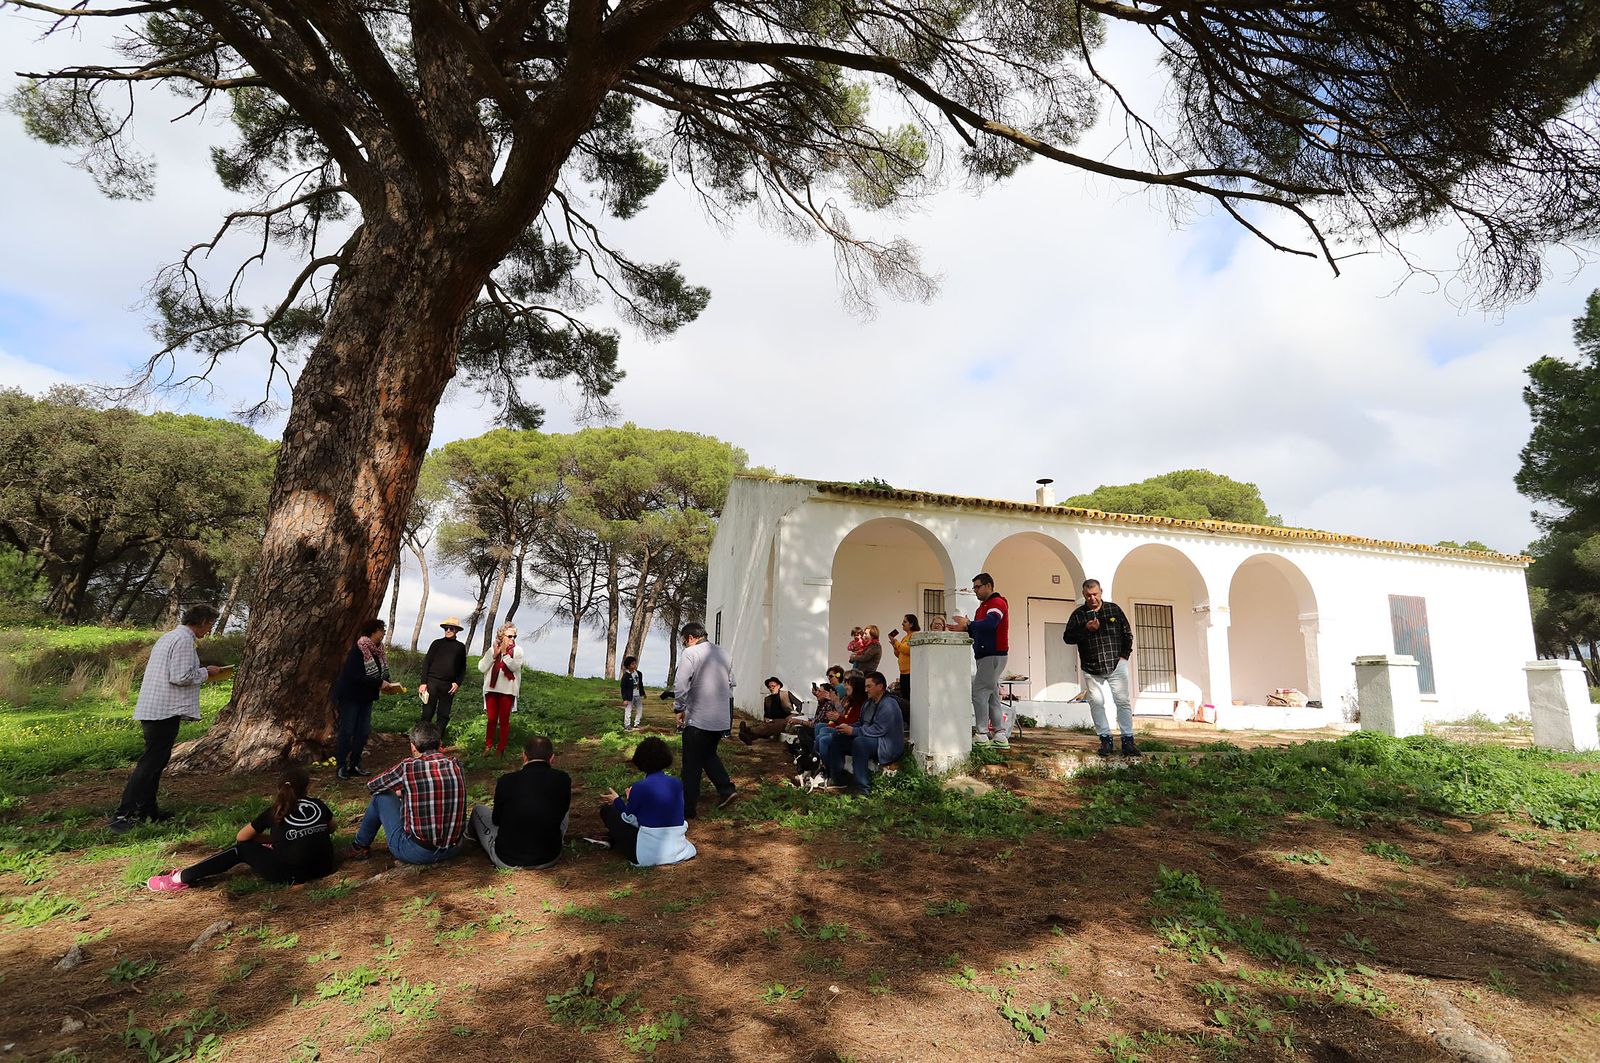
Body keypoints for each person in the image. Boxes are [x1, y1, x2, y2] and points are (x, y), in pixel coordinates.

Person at [109, 604, 224, 832]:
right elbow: (180, 676)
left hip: (155, 708)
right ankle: (124, 814)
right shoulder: (184, 640)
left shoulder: (169, 637)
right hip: (164, 710)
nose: (210, 629)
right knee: (150, 763)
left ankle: (148, 810)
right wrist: (206, 672)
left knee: (157, 762)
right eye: (210, 624)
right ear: (202, 621)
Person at [146, 766, 334, 891]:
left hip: (292, 874)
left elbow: (242, 837)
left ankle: (180, 878)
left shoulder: (275, 811)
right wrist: (285, 838)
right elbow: (331, 827)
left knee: (240, 849)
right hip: (325, 867)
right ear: (307, 787)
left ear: (279, 789)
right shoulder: (318, 804)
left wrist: (274, 839)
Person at [348, 722, 466, 864]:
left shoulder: (408, 767)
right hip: (454, 848)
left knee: (381, 796)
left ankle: (359, 846)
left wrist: (401, 790)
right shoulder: (457, 765)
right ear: (440, 743)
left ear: (413, 746)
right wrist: (407, 790)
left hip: (418, 852)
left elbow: (373, 786)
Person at [589, 736, 696, 866]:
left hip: (646, 852)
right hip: (678, 848)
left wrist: (617, 800)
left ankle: (611, 839)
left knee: (607, 811)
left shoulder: (640, 787)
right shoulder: (676, 783)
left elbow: (628, 817)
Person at [469, 735, 571, 870]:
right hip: (550, 857)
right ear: (552, 758)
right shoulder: (563, 779)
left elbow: (496, 820)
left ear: (524, 756)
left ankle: (469, 837)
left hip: (507, 858)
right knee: (563, 811)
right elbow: (562, 811)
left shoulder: (506, 781)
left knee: (478, 810)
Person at [1063, 578, 1138, 757]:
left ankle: (1128, 740)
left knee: (1122, 701)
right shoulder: (1078, 615)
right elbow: (1067, 638)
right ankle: (1105, 739)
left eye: (1095, 594)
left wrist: (1124, 656)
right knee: (1096, 702)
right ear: (1083, 595)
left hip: (1116, 663)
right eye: (1088, 595)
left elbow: (1127, 634)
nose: (1092, 598)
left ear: (1101, 592)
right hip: (1091, 666)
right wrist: (1086, 629)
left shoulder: (1114, 609)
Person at [673, 621, 738, 817]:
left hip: (699, 717)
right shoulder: (724, 654)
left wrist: (679, 707)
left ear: (690, 638)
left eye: (684, 642)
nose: (685, 645)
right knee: (708, 754)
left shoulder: (690, 653)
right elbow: (731, 682)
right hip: (720, 717)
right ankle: (726, 789)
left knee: (691, 763)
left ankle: (688, 809)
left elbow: (681, 684)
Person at [947, 572, 1011, 748]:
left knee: (979, 692)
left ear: (989, 586)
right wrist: (965, 628)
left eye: (978, 587)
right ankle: (999, 734)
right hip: (987, 656)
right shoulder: (982, 607)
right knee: (992, 695)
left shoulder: (997, 603)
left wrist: (968, 624)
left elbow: (991, 624)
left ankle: (982, 734)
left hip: (993, 654)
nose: (975, 590)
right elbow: (980, 630)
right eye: (974, 587)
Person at [333, 618, 398, 779]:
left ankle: (355, 764)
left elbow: (381, 673)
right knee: (347, 731)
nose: (383, 633)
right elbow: (354, 675)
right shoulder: (358, 649)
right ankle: (341, 766)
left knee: (362, 732)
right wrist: (378, 683)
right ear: (373, 632)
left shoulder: (379, 651)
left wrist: (388, 684)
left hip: (367, 698)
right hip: (351, 696)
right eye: (381, 630)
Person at [823, 671, 906, 795]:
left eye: (869, 686)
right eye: (865, 686)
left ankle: (863, 789)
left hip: (886, 744)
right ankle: (838, 781)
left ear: (880, 686)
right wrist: (847, 728)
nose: (866, 690)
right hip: (872, 739)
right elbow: (861, 723)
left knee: (860, 742)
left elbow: (879, 730)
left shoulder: (889, 704)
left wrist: (853, 731)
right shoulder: (869, 703)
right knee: (838, 737)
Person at [478, 623, 526, 757]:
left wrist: (505, 654)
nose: (512, 639)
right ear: (502, 635)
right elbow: (481, 668)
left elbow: (514, 667)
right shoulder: (493, 649)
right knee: (491, 719)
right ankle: (488, 746)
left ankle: (501, 748)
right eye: (509, 636)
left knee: (504, 720)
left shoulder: (518, 651)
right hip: (491, 689)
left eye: (514, 636)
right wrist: (494, 655)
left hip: (508, 690)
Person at [419, 617, 467, 743]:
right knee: (427, 713)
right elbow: (426, 663)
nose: (448, 630)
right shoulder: (436, 643)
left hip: (448, 686)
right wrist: (423, 683)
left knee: (443, 715)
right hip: (432, 683)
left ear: (457, 630)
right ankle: (421, 740)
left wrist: (458, 683)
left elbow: (462, 668)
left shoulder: (460, 647)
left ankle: (437, 741)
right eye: (446, 628)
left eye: (451, 628)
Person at [738, 677, 807, 744]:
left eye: (773, 686)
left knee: (774, 725)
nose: (771, 688)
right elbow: (766, 714)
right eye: (769, 687)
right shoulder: (767, 699)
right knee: (766, 725)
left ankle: (747, 730)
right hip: (773, 721)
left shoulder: (786, 694)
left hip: (787, 721)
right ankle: (749, 737)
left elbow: (799, 704)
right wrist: (766, 719)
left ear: (778, 686)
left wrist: (793, 715)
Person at [888, 614, 919, 710]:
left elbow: (908, 650)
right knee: (904, 697)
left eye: (905, 622)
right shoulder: (905, 638)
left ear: (911, 624)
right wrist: (894, 646)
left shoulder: (915, 635)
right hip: (903, 673)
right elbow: (899, 654)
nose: (902, 624)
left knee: (909, 697)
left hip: (910, 672)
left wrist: (896, 643)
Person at [619, 655, 646, 731]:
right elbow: (623, 688)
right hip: (629, 697)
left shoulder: (639, 673)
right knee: (628, 711)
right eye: (632, 664)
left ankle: (636, 724)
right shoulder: (626, 675)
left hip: (638, 695)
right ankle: (627, 725)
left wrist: (643, 693)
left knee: (640, 709)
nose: (634, 665)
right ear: (628, 666)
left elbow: (640, 684)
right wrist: (625, 699)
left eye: (635, 663)